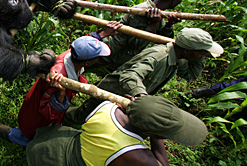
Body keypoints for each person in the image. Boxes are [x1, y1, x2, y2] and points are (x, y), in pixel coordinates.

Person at [23, 95, 207, 166]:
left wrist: (142, 110)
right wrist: (157, 137)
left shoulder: (108, 107)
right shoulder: (135, 155)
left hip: (55, 143)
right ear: (150, 133)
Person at [0, 26, 119, 146]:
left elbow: (83, 44)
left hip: (34, 104)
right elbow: (48, 113)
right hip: (37, 117)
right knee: (31, 136)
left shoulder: (72, 54)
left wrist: (102, 34)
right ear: (88, 62)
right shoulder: (58, 78)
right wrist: (61, 94)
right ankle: (7, 133)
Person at [65, 27, 224, 124]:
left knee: (98, 119)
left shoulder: (179, 59)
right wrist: (141, 95)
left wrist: (201, 55)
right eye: (201, 53)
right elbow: (131, 75)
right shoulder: (158, 56)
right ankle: (54, 120)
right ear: (188, 50)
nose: (203, 56)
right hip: (113, 91)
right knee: (81, 116)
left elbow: (191, 75)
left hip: (125, 98)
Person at [98, 0, 186, 70]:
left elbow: (162, 41)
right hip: (110, 55)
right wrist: (153, 25)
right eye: (180, 0)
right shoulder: (142, 12)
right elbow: (134, 44)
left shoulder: (158, 12)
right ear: (174, 1)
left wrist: (169, 25)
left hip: (119, 57)